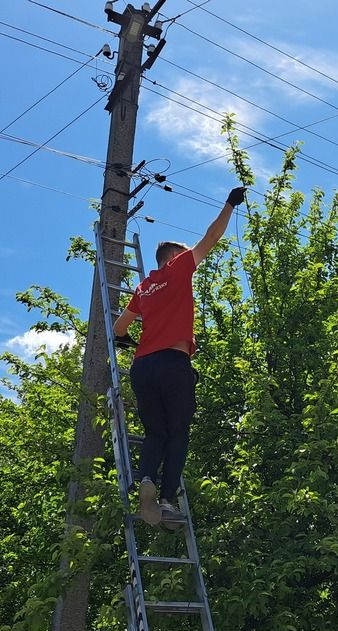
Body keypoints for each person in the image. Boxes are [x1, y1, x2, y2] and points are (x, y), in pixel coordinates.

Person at [113, 186, 246, 526]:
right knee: (178, 434)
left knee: (155, 432)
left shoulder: (144, 288)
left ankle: (146, 480)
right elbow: (211, 237)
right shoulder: (179, 268)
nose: (193, 260)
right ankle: (168, 498)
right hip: (173, 364)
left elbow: (118, 328)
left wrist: (128, 341)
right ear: (173, 257)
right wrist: (230, 204)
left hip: (143, 367)